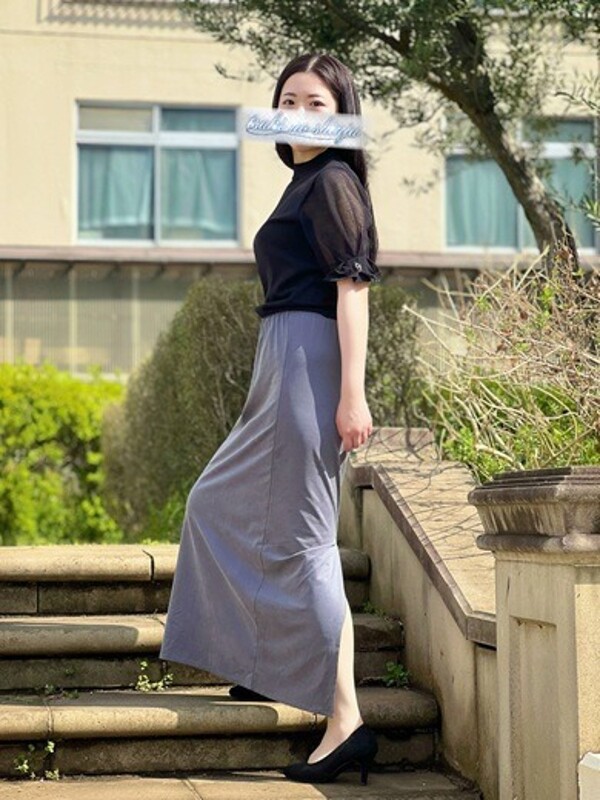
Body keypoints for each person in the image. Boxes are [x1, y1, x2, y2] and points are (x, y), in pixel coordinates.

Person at [159, 52, 381, 786]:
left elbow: (353, 291)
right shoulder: (306, 182)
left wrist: (352, 393)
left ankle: (345, 721)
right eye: (289, 99)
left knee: (305, 542)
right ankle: (266, 663)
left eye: (318, 103)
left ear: (342, 115)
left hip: (309, 360)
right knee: (218, 505)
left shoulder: (334, 181)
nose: (300, 112)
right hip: (282, 356)